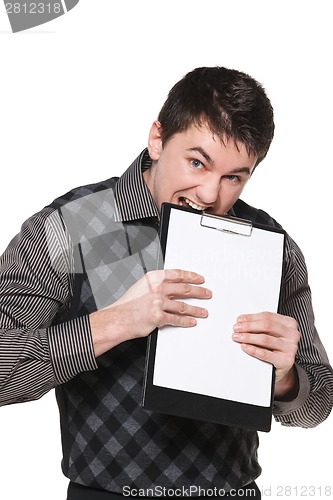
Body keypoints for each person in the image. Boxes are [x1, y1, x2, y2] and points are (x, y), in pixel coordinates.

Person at [0, 66, 332, 500]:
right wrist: (117, 322)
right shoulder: (70, 228)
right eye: (197, 162)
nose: (210, 194)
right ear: (157, 139)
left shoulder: (270, 248)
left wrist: (286, 378)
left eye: (234, 176)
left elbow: (319, 402)